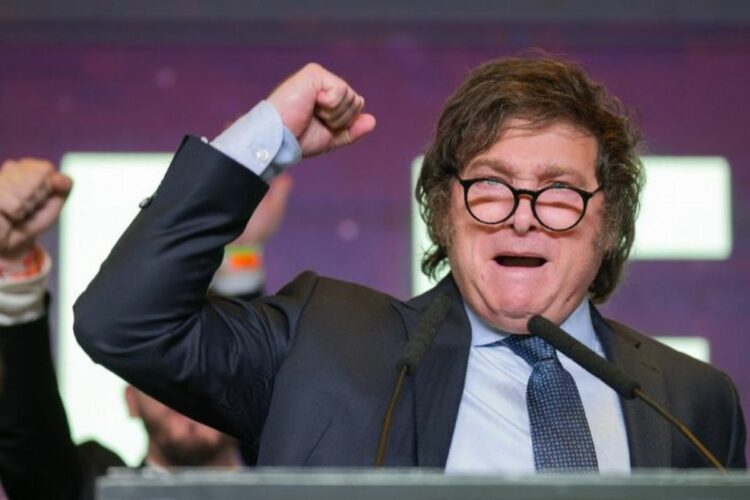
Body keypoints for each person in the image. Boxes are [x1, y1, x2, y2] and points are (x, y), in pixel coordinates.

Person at [74, 57, 746, 473]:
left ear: (610, 222)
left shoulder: (691, 401)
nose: (522, 216)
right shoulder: (323, 345)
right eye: (491, 185)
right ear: (444, 213)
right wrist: (266, 138)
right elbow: (125, 323)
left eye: (559, 191)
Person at [0, 158, 291, 498]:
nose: (186, 382)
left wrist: (241, 251)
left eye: (201, 362)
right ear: (131, 401)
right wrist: (14, 264)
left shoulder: (300, 486)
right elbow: (34, 452)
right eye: (161, 365)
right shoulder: (91, 488)